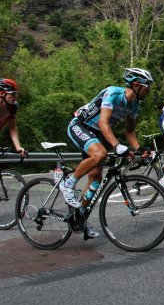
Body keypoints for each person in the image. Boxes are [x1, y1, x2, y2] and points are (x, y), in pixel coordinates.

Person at [62, 68, 154, 240]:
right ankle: (68, 184)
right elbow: (104, 122)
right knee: (101, 154)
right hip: (80, 125)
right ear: (136, 85)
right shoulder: (113, 93)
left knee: (96, 177)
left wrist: (140, 149)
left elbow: (130, 132)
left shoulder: (135, 104)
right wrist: (117, 145)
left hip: (95, 132)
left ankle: (80, 217)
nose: (149, 91)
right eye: (147, 87)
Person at [0, 79, 27, 157]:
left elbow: (12, 127)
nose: (15, 97)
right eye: (13, 94)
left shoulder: (12, 107)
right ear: (2, 93)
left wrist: (18, 147)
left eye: (16, 94)